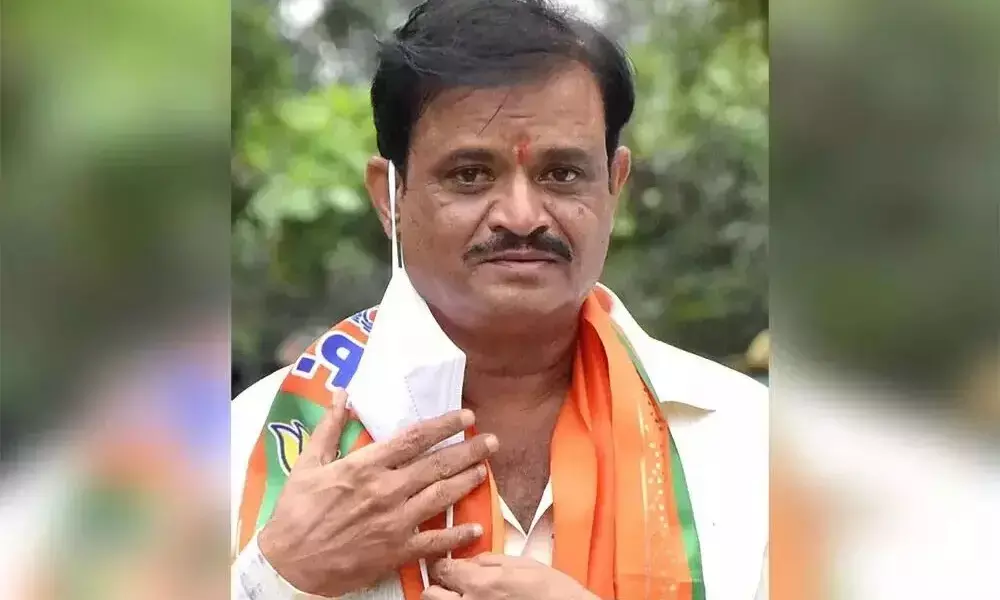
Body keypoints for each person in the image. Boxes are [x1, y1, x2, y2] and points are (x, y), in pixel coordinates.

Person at [231, 1, 768, 599]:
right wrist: (276, 577)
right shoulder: (240, 441)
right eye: (470, 175)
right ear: (390, 198)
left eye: (562, 174)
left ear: (614, 186)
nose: (521, 216)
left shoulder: (754, 442)